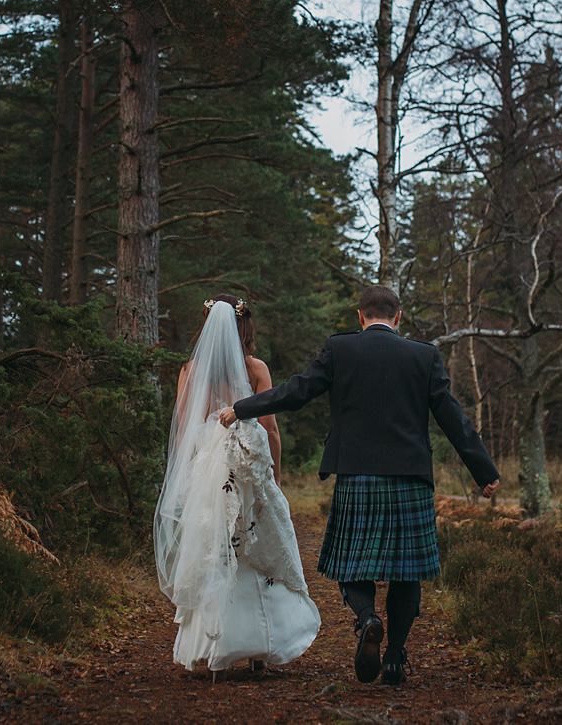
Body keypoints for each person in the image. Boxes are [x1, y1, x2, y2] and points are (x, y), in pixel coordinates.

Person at [220, 285, 499, 686]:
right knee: (407, 574)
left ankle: (368, 618)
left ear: (359, 316)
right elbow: (452, 417)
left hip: (357, 475)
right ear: (398, 316)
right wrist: (483, 471)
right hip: (410, 479)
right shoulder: (424, 355)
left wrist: (241, 408)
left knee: (351, 563)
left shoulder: (341, 349)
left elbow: (295, 393)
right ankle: (394, 660)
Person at [154, 294, 320, 674]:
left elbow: (183, 426)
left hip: (211, 470)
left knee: (214, 547)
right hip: (246, 467)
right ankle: (262, 646)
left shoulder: (190, 370)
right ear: (246, 326)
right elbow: (270, 427)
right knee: (256, 542)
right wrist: (274, 473)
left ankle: (214, 644)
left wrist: (192, 470)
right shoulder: (255, 368)